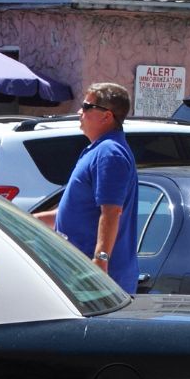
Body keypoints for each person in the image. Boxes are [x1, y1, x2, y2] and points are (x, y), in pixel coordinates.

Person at [43, 81, 139, 294]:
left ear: (107, 116)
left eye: (87, 107)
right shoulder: (97, 149)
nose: (80, 111)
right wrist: (23, 221)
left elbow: (111, 211)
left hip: (95, 280)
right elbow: (75, 213)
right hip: (79, 274)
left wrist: (100, 261)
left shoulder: (110, 153)